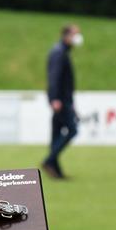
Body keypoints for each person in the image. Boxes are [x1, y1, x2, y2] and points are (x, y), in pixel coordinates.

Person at [42, 24, 83, 179]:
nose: (78, 37)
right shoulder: (59, 53)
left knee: (56, 135)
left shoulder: (61, 51)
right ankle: (48, 161)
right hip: (60, 101)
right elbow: (54, 77)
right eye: (76, 34)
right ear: (66, 36)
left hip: (64, 100)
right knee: (72, 130)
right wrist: (54, 99)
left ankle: (56, 171)